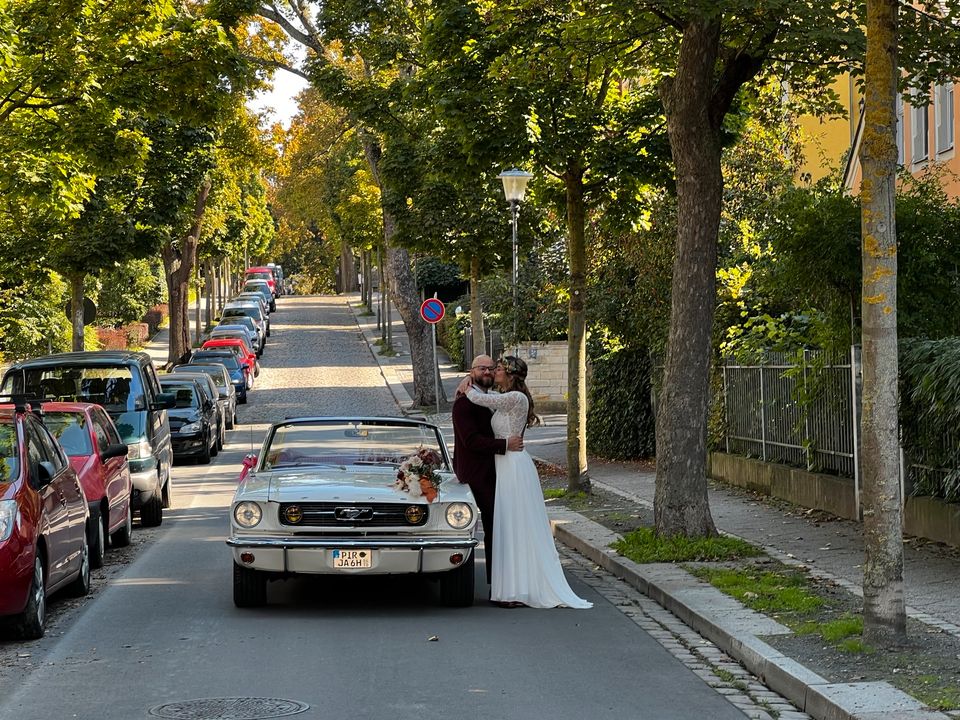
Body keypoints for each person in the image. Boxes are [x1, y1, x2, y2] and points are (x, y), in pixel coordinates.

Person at [463, 356, 592, 609]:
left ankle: (519, 589)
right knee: (508, 527)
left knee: (514, 526)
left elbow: (479, 398)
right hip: (505, 464)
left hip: (513, 466)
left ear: (510, 374)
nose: (494, 372)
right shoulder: (506, 399)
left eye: (498, 369)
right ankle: (511, 588)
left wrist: (467, 380)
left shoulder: (516, 398)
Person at [452, 355, 523, 590]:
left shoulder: (494, 398)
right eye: (481, 368)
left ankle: (500, 582)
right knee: (493, 526)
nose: (487, 372)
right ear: (472, 370)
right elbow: (471, 441)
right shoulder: (464, 402)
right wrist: (504, 446)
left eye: (491, 368)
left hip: (497, 470)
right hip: (476, 473)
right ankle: (497, 583)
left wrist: (468, 380)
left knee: (499, 526)